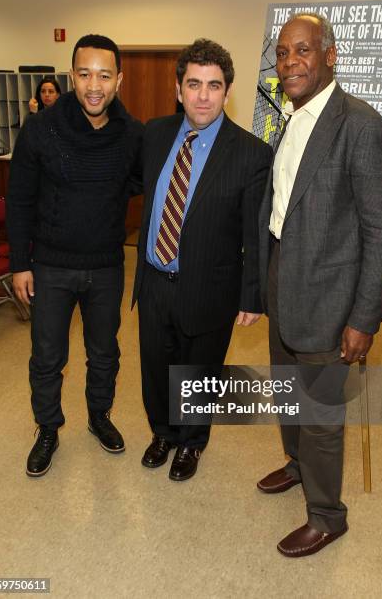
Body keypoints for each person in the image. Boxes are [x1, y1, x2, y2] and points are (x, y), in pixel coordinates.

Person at [257, 13, 382, 557]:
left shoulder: (361, 126)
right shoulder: (292, 118)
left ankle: (327, 515)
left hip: (331, 302)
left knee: (321, 417)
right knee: (288, 394)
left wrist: (364, 318)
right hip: (283, 286)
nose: (290, 62)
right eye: (283, 53)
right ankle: (297, 466)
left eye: (303, 51)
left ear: (330, 55)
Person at [132, 39, 272, 481]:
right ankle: (163, 432)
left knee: (199, 374)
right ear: (179, 89)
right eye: (194, 84)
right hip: (154, 279)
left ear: (227, 91)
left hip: (212, 286)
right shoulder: (154, 134)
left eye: (214, 85)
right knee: (156, 366)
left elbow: (254, 232)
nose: (204, 95)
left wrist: (252, 295)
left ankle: (191, 442)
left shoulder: (251, 153)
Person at [7, 34, 143, 477]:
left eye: (104, 75)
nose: (94, 85)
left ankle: (99, 415)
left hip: (106, 266)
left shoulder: (133, 134)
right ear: (71, 76)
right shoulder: (41, 129)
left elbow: (145, 185)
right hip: (50, 267)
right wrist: (20, 265)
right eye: (84, 74)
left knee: (105, 353)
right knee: (47, 356)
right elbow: (20, 200)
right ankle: (47, 428)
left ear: (119, 79)